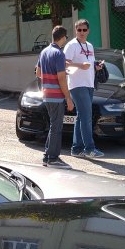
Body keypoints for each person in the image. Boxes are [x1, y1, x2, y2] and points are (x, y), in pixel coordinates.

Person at [63, 19, 104, 158]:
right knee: (86, 116)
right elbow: (64, 63)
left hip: (89, 84)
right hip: (77, 84)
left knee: (81, 117)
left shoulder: (90, 46)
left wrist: (96, 67)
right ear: (75, 31)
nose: (81, 32)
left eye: (84, 30)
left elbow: (89, 64)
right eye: (79, 30)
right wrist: (80, 66)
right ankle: (89, 148)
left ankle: (76, 149)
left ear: (88, 31)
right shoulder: (71, 45)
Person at [36, 25, 75, 168]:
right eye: (66, 37)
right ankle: (52, 158)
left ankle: (48, 156)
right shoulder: (59, 53)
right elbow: (61, 78)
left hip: (47, 94)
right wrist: (68, 98)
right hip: (56, 96)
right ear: (63, 37)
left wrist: (52, 76)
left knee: (54, 126)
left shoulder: (44, 51)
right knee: (56, 128)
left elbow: (38, 73)